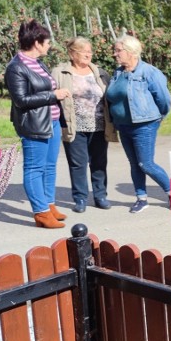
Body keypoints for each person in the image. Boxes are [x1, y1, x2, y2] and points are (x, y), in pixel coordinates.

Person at [5, 19, 71, 228]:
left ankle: (49, 205)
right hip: (34, 125)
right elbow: (21, 100)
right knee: (34, 168)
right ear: (36, 42)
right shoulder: (16, 68)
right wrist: (54, 95)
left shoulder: (38, 63)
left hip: (51, 121)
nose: (49, 45)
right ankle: (41, 213)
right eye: (47, 42)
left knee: (50, 166)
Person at [106, 35, 171, 213]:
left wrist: (158, 116)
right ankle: (141, 198)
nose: (115, 54)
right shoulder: (118, 73)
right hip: (123, 125)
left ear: (131, 52)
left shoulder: (149, 72)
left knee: (146, 164)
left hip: (144, 125)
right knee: (134, 164)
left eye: (118, 50)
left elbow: (164, 99)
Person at [53, 37, 117, 213]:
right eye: (84, 51)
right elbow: (52, 96)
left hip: (99, 125)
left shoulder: (100, 72)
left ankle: (100, 196)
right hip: (74, 125)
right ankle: (80, 198)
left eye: (90, 51)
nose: (88, 54)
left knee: (99, 162)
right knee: (77, 163)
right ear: (72, 54)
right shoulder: (60, 73)